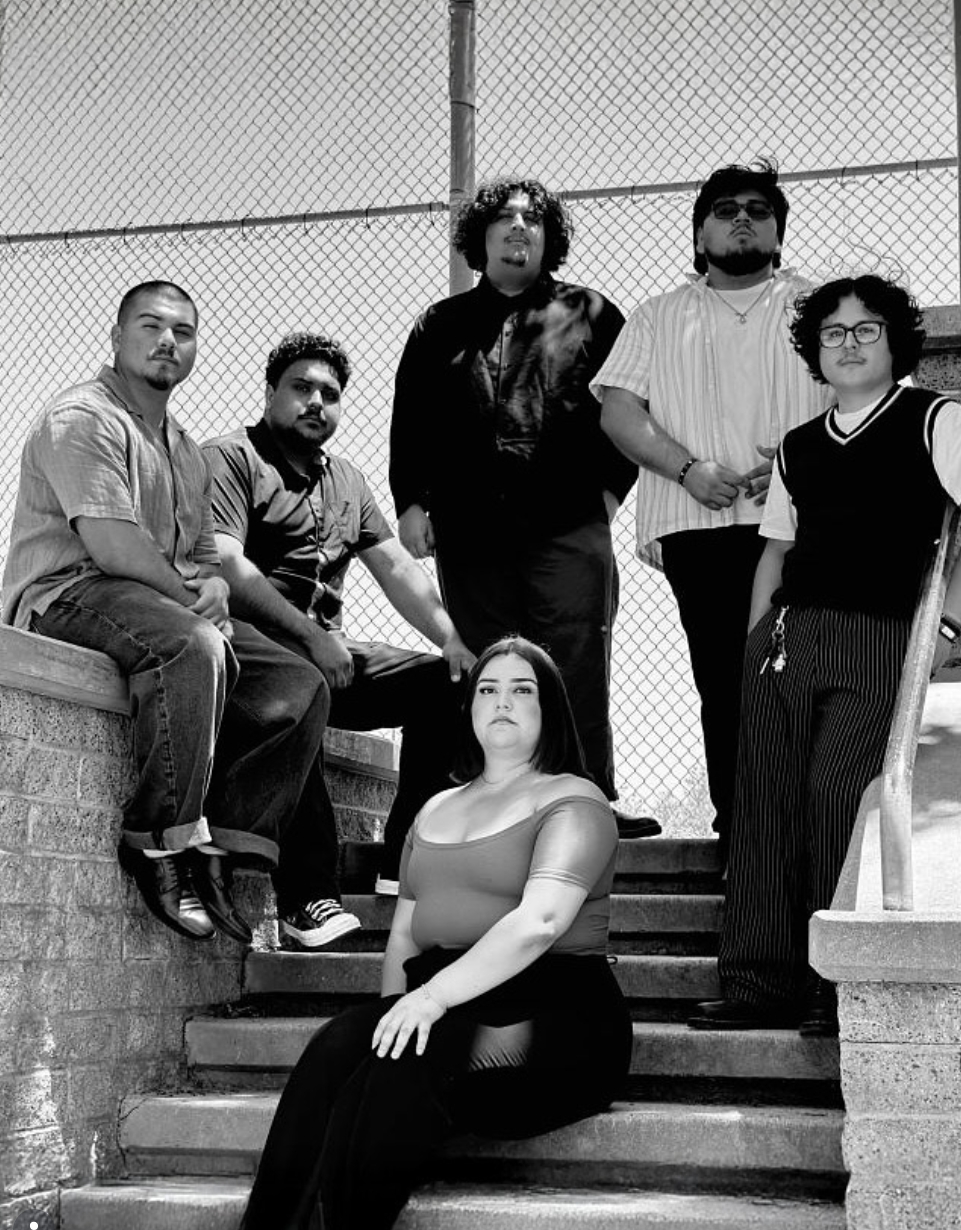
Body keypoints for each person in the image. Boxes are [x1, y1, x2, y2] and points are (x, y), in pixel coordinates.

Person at [239, 636, 633, 1230]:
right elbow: (404, 936)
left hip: (556, 1018)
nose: (503, 701)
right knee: (334, 1049)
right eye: (488, 689)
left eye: (522, 690)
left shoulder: (575, 800)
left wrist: (428, 1001)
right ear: (469, 709)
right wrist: (394, 1016)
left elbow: (540, 922)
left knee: (407, 1066)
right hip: (448, 1001)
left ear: (549, 709)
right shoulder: (433, 810)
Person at [1, 282, 338, 947]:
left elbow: (204, 554)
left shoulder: (183, 447)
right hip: (67, 593)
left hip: (153, 600)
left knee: (299, 683)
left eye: (182, 332)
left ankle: (223, 843)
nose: (166, 341)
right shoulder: (84, 416)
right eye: (150, 326)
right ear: (116, 336)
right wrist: (194, 600)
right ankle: (156, 840)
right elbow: (111, 545)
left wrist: (213, 588)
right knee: (194, 644)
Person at [687, 275, 961, 1036]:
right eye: (833, 332)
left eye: (866, 329)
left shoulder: (934, 419)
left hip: (878, 636)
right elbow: (776, 549)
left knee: (838, 794)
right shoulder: (799, 446)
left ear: (896, 342)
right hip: (785, 639)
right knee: (764, 806)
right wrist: (752, 647)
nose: (848, 343)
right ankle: (758, 985)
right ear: (814, 350)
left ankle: (831, 987)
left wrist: (947, 628)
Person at [390, 176, 657, 839]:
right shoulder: (438, 325)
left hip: (569, 523)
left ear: (548, 237)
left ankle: (585, 800)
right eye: (504, 217)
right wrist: (412, 503)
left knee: (574, 659)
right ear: (479, 237)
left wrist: (608, 493)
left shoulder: (593, 314)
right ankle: (498, 805)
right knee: (493, 668)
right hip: (471, 530)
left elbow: (628, 409)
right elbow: (412, 421)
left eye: (532, 219)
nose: (518, 227)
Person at [593, 160, 829, 856]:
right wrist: (687, 469)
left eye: (758, 209)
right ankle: (742, 840)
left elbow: (865, 394)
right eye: (725, 209)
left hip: (808, 522)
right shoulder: (658, 315)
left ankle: (812, 835)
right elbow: (617, 410)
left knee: (806, 676)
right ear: (699, 234)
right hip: (698, 525)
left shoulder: (819, 306)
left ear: (778, 231)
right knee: (725, 682)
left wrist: (800, 460)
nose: (742, 218)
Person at [202, 332, 475, 904]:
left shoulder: (346, 480)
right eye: (300, 388)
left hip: (330, 655)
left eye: (329, 393)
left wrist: (452, 639)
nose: (315, 402)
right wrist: (311, 638)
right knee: (302, 686)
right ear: (270, 392)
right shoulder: (231, 458)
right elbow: (225, 562)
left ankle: (405, 862)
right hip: (255, 654)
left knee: (450, 684)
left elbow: (396, 567)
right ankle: (310, 896)